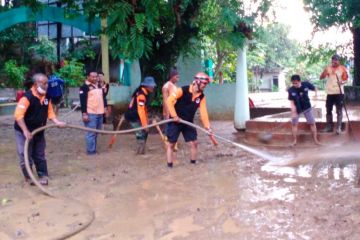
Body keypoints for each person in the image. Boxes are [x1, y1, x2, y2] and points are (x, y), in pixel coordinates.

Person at [14, 73, 65, 186]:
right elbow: (18, 116)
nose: (47, 85)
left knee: (39, 153)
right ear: (36, 84)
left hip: (39, 130)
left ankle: (43, 175)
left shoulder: (47, 96)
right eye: (44, 83)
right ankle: (29, 177)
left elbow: (50, 112)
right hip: (24, 131)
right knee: (25, 154)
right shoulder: (26, 97)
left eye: (47, 83)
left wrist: (57, 122)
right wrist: (25, 131)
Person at [165, 72, 213, 168]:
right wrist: (174, 116)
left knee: (194, 143)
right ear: (197, 82)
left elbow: (203, 112)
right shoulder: (182, 90)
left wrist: (207, 127)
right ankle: (169, 166)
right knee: (171, 144)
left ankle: (193, 165)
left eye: (206, 84)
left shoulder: (201, 97)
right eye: (204, 84)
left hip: (188, 122)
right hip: (175, 121)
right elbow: (169, 101)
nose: (205, 86)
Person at [124, 76, 156, 154]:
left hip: (137, 115)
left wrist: (146, 120)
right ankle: (140, 150)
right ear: (146, 86)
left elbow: (144, 109)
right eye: (151, 85)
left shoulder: (144, 93)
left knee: (145, 131)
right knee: (140, 132)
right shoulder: (141, 95)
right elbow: (141, 111)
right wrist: (145, 125)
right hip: (133, 116)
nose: (153, 87)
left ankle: (142, 149)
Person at [288, 74, 321, 146]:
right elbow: (292, 102)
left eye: (296, 83)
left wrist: (315, 97)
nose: (294, 85)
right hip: (297, 108)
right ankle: (294, 141)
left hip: (307, 107)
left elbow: (315, 88)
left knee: (312, 123)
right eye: (293, 83)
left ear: (300, 81)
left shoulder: (306, 84)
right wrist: (293, 110)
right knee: (294, 124)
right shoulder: (291, 90)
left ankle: (316, 140)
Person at [79, 70, 107, 155]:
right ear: (88, 77)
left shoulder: (99, 85)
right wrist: (84, 113)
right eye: (93, 76)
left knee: (96, 132)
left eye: (96, 76)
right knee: (91, 133)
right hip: (90, 113)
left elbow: (103, 97)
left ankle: (93, 148)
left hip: (100, 113)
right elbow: (83, 101)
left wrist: (105, 107)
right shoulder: (84, 87)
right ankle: (91, 151)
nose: (95, 78)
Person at [320, 54, 349, 134]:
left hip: (339, 92)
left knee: (339, 110)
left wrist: (342, 82)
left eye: (336, 60)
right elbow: (321, 77)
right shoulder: (328, 68)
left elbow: (346, 79)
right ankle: (329, 127)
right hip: (330, 92)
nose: (334, 61)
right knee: (328, 109)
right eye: (333, 60)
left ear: (339, 61)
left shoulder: (342, 68)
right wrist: (324, 72)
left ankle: (338, 127)